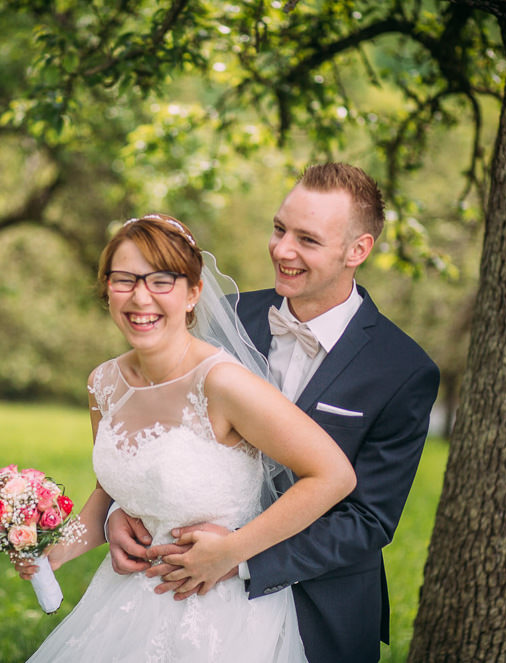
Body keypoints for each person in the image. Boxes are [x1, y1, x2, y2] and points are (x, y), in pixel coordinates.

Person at [108, 164, 441, 663]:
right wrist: (125, 511)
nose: (282, 250)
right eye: (279, 229)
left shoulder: (402, 369)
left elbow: (367, 519)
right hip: (181, 594)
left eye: (307, 239)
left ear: (358, 250)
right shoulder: (221, 317)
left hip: (319, 606)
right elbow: (160, 427)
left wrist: (237, 555)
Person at [19, 213, 357, 662]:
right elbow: (110, 490)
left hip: (221, 615)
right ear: (107, 290)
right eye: (124, 280)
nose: (141, 297)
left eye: (161, 281)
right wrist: (57, 550)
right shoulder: (102, 383)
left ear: (193, 292)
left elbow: (333, 475)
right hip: (125, 601)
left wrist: (233, 552)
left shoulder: (222, 384)